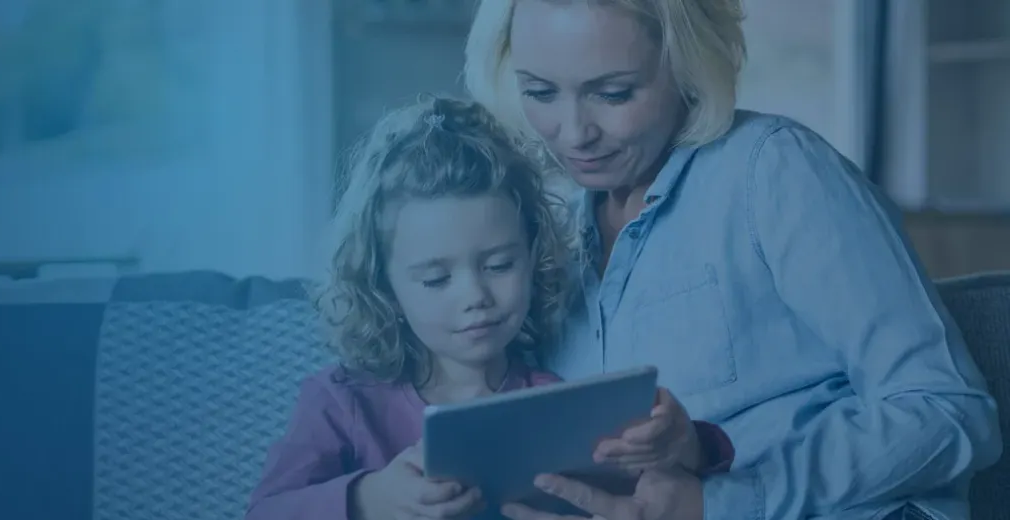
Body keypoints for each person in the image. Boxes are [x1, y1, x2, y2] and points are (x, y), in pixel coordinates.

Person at [460, 1, 1004, 519]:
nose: (574, 133)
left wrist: (722, 505)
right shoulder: (544, 242)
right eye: (540, 92)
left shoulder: (774, 173)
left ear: (685, 66)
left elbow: (950, 411)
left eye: (614, 94)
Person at [244, 96, 732, 520]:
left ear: (533, 254)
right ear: (384, 287)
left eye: (499, 265)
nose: (474, 296)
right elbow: (265, 513)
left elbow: (641, 481)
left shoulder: (554, 401)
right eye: (436, 279)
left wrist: (684, 442)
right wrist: (368, 501)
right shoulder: (343, 402)